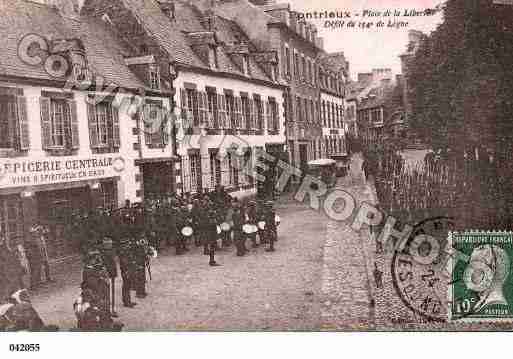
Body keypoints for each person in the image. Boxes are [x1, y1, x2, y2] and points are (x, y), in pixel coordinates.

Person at [0, 235, 25, 301]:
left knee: (16, 289)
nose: (2, 240)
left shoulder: (5, 248)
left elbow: (12, 258)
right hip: (5, 273)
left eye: (2, 238)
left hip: (11, 272)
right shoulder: (3, 248)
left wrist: (20, 267)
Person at [101, 237, 118, 318]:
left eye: (110, 244)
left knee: (110, 292)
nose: (110, 245)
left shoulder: (112, 251)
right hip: (105, 273)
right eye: (108, 244)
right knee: (105, 293)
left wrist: (114, 273)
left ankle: (112, 310)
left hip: (112, 272)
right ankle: (107, 310)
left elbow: (114, 262)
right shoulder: (102, 253)